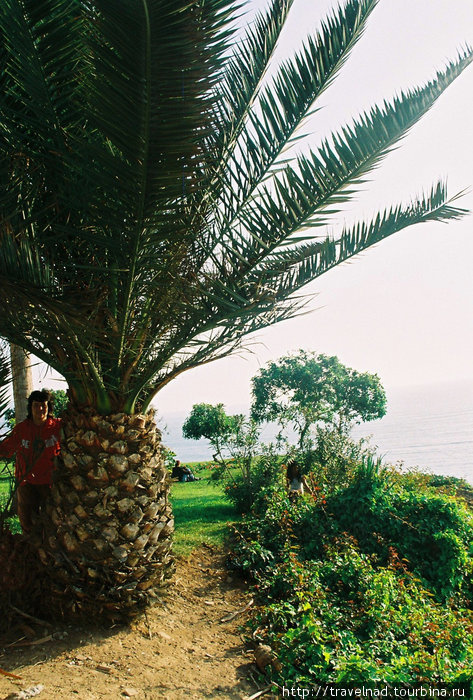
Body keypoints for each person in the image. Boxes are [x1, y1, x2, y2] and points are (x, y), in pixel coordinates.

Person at [0, 389, 61, 533]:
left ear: (49, 407)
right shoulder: (22, 429)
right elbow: (5, 450)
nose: (40, 409)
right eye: (36, 405)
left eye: (44, 405)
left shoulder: (58, 426)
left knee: (52, 523)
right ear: (30, 407)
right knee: (27, 523)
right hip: (26, 483)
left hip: (50, 484)